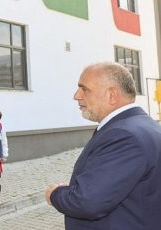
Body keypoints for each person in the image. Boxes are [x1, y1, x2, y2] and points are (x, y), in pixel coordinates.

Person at [45, 62, 161, 230]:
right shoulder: (145, 126)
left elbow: (87, 201)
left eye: (84, 89)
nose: (76, 95)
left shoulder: (123, 135)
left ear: (112, 95)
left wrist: (55, 194)